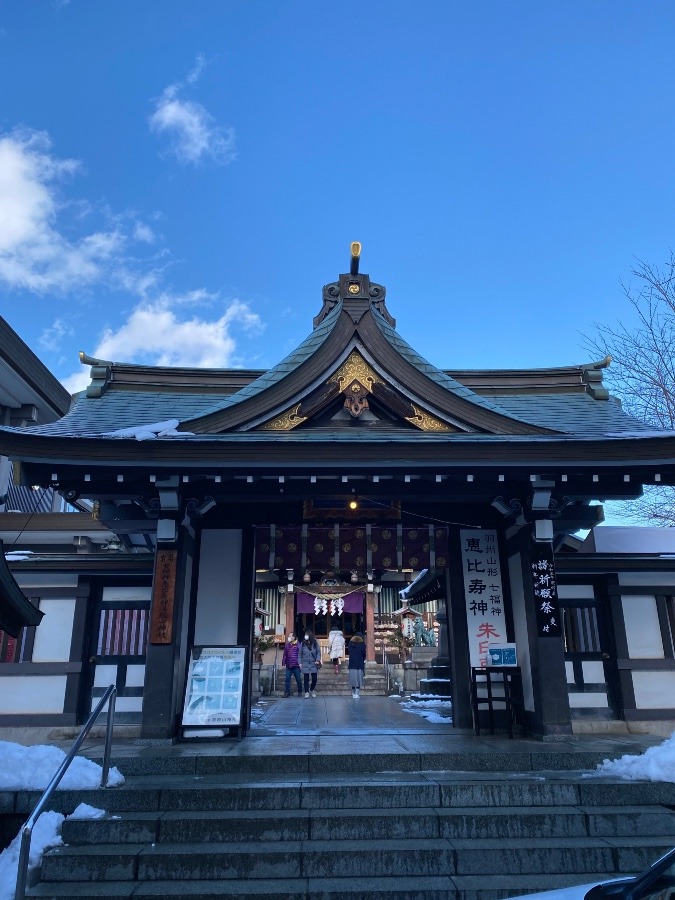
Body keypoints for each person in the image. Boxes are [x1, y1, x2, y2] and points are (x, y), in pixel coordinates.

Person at [299, 631, 321, 698]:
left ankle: (312, 689)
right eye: (305, 635)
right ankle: (306, 692)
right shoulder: (303, 643)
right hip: (305, 663)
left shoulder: (315, 643)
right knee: (306, 678)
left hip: (313, 663)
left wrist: (317, 659)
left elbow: (318, 652)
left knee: (314, 678)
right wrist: (299, 662)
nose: (305, 636)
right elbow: (300, 654)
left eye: (307, 635)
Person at [281, 633, 302, 697]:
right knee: (287, 680)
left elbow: (300, 654)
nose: (289, 637)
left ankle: (300, 691)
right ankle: (287, 692)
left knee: (298, 679)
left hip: (296, 665)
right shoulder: (287, 645)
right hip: (288, 665)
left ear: (293, 637)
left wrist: (300, 663)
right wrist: (283, 662)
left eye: (290, 636)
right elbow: (285, 654)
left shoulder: (298, 644)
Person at [347, 632, 366, 699]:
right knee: (359, 679)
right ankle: (357, 693)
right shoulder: (362, 644)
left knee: (353, 679)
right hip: (359, 663)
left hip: (352, 663)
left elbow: (349, 652)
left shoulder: (350, 644)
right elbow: (364, 654)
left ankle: (353, 692)